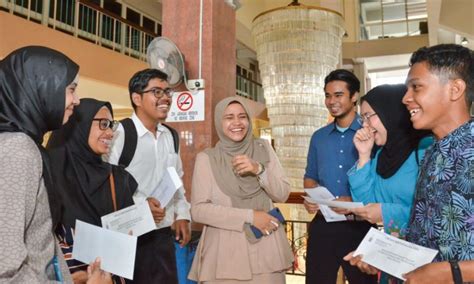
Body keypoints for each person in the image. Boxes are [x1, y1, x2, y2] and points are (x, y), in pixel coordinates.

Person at [0, 46, 109, 283]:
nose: (76, 100)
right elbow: (5, 272)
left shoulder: (21, 144)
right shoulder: (18, 150)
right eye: (71, 90)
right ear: (42, 87)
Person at [188, 96, 293, 283]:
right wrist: (251, 216)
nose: (237, 122)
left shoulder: (264, 148)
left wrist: (258, 170)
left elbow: (282, 194)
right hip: (225, 254)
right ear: (219, 122)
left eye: (242, 116)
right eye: (229, 117)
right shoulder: (208, 158)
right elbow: (199, 210)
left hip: (266, 250)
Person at [107, 68, 191, 283]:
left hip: (163, 235)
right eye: (156, 92)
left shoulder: (171, 136)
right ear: (137, 98)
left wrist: (182, 214)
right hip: (128, 235)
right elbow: (106, 187)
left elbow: (176, 178)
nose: (165, 98)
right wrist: (141, 208)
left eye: (167, 92)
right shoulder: (120, 134)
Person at [341, 84, 432, 283]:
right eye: (361, 119)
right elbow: (366, 205)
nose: (364, 125)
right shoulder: (382, 156)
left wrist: (386, 212)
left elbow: (438, 214)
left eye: (368, 116)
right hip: (392, 261)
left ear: (391, 113)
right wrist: (364, 155)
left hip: (429, 265)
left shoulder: (426, 151)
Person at [401, 44, 474, 283]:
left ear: (455, 89)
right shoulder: (431, 151)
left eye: (416, 87)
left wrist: (450, 273)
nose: (406, 98)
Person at [46, 98, 138, 283]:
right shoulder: (46, 175)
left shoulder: (118, 179)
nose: (110, 133)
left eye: (112, 125)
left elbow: (127, 238)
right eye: (103, 124)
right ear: (78, 126)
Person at [303, 69, 377, 284]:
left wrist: (354, 202)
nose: (331, 101)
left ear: (354, 97)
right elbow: (310, 176)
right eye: (327, 95)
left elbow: (380, 182)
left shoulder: (371, 134)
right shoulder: (318, 138)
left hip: (360, 226)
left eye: (338, 95)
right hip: (323, 225)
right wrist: (311, 198)